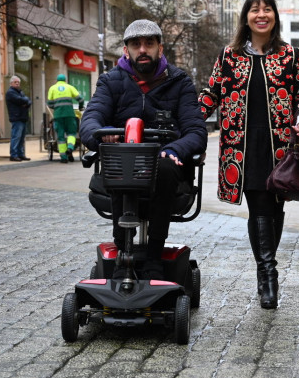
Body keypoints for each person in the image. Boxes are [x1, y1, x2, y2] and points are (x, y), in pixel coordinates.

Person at [198, 0, 299, 310]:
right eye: (254, 10)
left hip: (280, 148)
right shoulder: (229, 55)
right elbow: (212, 93)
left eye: (267, 10)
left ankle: (266, 272)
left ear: (275, 16)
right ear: (246, 17)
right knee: (260, 207)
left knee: (276, 210)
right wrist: (189, 120)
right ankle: (268, 276)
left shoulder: (290, 55)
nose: (261, 15)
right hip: (242, 149)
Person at [80, 19, 207, 280]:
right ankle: (122, 250)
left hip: (166, 169)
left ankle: (153, 259)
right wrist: (103, 137)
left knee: (162, 164)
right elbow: (90, 120)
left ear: (160, 48)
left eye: (149, 43)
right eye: (136, 44)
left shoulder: (180, 82)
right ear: (126, 50)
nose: (142, 49)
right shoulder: (110, 81)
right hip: (123, 166)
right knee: (122, 160)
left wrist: (174, 149)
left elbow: (196, 131)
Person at [47, 73, 84, 163]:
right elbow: (81, 99)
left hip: (58, 115)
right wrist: (80, 107)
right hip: (70, 115)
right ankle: (70, 148)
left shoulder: (52, 88)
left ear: (57, 80)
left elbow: (49, 103)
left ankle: (63, 158)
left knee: (60, 137)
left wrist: (56, 107)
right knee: (71, 133)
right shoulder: (69, 87)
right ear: (65, 80)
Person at [5, 75, 32, 161]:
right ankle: (13, 155)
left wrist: (25, 101)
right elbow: (20, 100)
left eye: (18, 82)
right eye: (15, 82)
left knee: (21, 138)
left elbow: (28, 101)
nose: (17, 84)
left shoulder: (20, 92)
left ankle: (21, 154)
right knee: (16, 137)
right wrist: (25, 101)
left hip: (22, 117)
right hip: (16, 117)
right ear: (11, 83)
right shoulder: (10, 92)